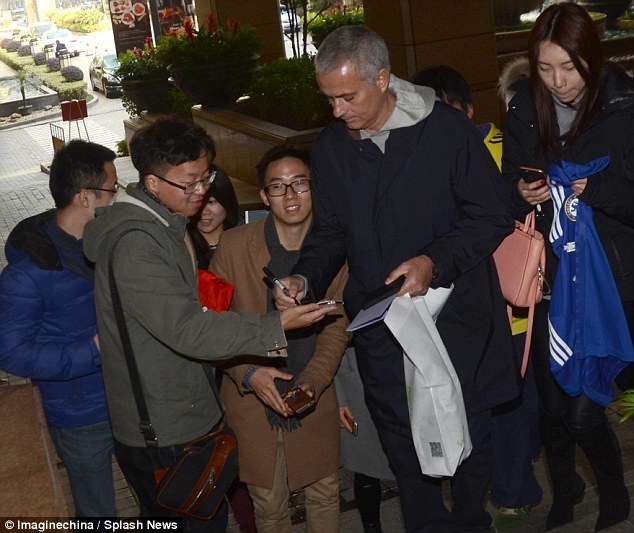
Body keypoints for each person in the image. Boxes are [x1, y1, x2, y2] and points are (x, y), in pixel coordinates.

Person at [274, 25, 520, 533]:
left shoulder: (446, 131)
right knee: (401, 440)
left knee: (468, 427)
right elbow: (331, 233)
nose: (337, 111)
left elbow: (491, 215)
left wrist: (434, 261)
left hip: (456, 316)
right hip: (382, 321)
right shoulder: (333, 148)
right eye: (330, 100)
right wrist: (303, 278)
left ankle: (471, 520)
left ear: (382, 78)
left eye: (347, 97)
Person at [82, 117, 333, 532]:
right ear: (153, 182)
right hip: (163, 430)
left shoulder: (164, 225)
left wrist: (248, 367)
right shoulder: (138, 244)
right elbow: (188, 328)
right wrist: (275, 326)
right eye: (190, 182)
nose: (202, 191)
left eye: (207, 177)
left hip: (178, 414)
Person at [501, 4, 634, 531]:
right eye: (546, 67)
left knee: (584, 407)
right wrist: (520, 190)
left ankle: (614, 493)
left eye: (570, 68)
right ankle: (565, 493)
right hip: (549, 277)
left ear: (592, 61)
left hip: (615, 282)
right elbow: (504, 186)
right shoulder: (523, 110)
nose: (558, 82)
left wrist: (595, 190)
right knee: (551, 404)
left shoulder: (623, 106)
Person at [413, 64, 543, 531]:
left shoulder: (502, 150)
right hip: (450, 315)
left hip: (508, 308)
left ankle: (511, 494)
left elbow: (495, 211)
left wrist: (519, 194)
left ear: (468, 111)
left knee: (506, 409)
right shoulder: (415, 161)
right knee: (468, 415)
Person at [210, 145, 349, 533]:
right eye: (278, 186)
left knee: (324, 494)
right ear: (265, 196)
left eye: (300, 183)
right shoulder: (234, 246)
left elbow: (337, 326)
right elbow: (213, 328)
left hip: (312, 392)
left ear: (315, 188)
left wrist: (314, 382)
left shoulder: (335, 247)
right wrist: (250, 371)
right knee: (269, 508)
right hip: (251, 399)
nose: (290, 195)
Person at [0, 140, 118, 517]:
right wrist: (93, 351)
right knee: (97, 512)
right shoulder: (29, 272)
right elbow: (12, 352)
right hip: (80, 414)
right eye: (112, 190)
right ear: (85, 197)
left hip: (132, 401)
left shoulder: (111, 242)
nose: (118, 198)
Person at [335, 346, 396, 533]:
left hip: (392, 366)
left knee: (409, 461)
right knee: (364, 463)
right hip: (351, 375)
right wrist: (338, 397)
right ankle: (372, 527)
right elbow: (326, 339)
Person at [188, 164, 240, 269]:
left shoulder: (244, 241)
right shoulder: (182, 244)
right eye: (198, 203)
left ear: (226, 201)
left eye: (211, 202)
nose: (204, 212)